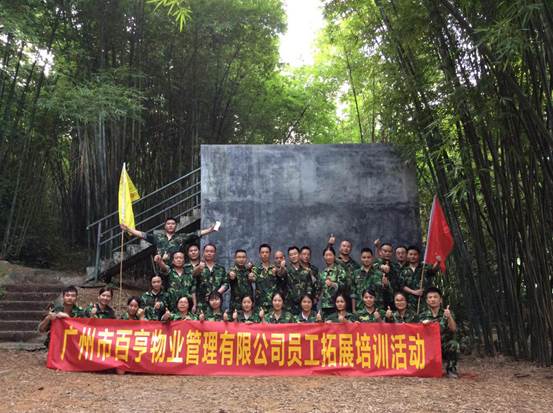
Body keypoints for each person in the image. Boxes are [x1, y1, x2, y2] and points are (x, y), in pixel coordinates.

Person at [120, 217, 216, 264]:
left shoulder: (181, 237)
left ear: (176, 226)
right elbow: (142, 235)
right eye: (168, 224)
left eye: (173, 224)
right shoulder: (158, 237)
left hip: (177, 269)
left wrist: (209, 230)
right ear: (165, 226)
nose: (170, 225)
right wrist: (128, 229)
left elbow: (196, 233)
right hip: (161, 267)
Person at [419, 287, 460, 378]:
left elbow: (453, 329)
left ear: (440, 300)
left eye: (435, 297)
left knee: (454, 344)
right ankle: (423, 369)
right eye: (430, 297)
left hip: (442, 345)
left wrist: (448, 317)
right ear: (427, 301)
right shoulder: (422, 315)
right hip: (428, 346)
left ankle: (451, 369)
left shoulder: (446, 313)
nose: (432, 299)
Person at [401, 246, 440, 310]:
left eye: (415, 254)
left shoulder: (424, 267)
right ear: (407, 255)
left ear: (418, 255)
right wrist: (414, 292)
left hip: (424, 301)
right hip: (409, 302)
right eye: (411, 254)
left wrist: (438, 262)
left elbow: (433, 270)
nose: (413, 256)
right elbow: (402, 286)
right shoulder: (403, 270)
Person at [351, 247, 390, 312]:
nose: (366, 259)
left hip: (377, 308)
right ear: (360, 258)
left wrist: (386, 284)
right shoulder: (355, 273)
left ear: (372, 258)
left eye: (368, 257)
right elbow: (353, 294)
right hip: (361, 309)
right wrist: (354, 310)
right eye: (364, 257)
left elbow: (388, 292)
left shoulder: (380, 274)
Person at [284, 246, 318, 314]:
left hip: (304, 307)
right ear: (289, 257)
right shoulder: (285, 270)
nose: (293, 256)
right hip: (289, 307)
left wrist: (309, 300)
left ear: (299, 255)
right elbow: (280, 275)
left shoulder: (306, 271)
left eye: (295, 254)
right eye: (291, 255)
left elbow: (310, 287)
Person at [194, 243, 227, 312]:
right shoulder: (197, 267)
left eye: (211, 251)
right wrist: (199, 268)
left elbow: (226, 283)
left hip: (216, 303)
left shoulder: (220, 268)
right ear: (203, 253)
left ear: (215, 253)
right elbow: (192, 280)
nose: (209, 253)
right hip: (202, 303)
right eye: (207, 251)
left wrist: (216, 294)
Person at [252, 244, 285, 311]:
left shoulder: (275, 268)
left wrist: (282, 268)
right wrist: (251, 277)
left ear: (270, 254)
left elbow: (281, 274)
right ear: (259, 254)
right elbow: (251, 279)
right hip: (260, 305)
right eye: (262, 252)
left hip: (274, 304)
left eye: (267, 252)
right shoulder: (255, 269)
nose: (265, 254)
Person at [327, 235, 360, 299]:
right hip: (336, 296)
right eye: (344, 246)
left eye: (348, 247)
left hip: (350, 297)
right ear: (340, 248)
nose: (346, 248)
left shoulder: (355, 265)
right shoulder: (334, 261)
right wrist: (330, 245)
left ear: (351, 249)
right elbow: (327, 255)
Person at [373, 242, 405, 309]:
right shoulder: (374, 265)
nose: (387, 253)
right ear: (380, 252)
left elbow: (399, 284)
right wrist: (381, 266)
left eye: (389, 251)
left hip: (392, 300)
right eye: (385, 251)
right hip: (378, 300)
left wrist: (388, 284)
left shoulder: (395, 266)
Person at [318, 247, 347, 318]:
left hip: (336, 306)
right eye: (326, 255)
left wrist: (333, 284)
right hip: (324, 306)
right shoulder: (323, 272)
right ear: (324, 257)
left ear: (334, 256)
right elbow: (320, 289)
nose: (328, 257)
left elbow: (345, 286)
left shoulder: (340, 270)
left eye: (330, 255)